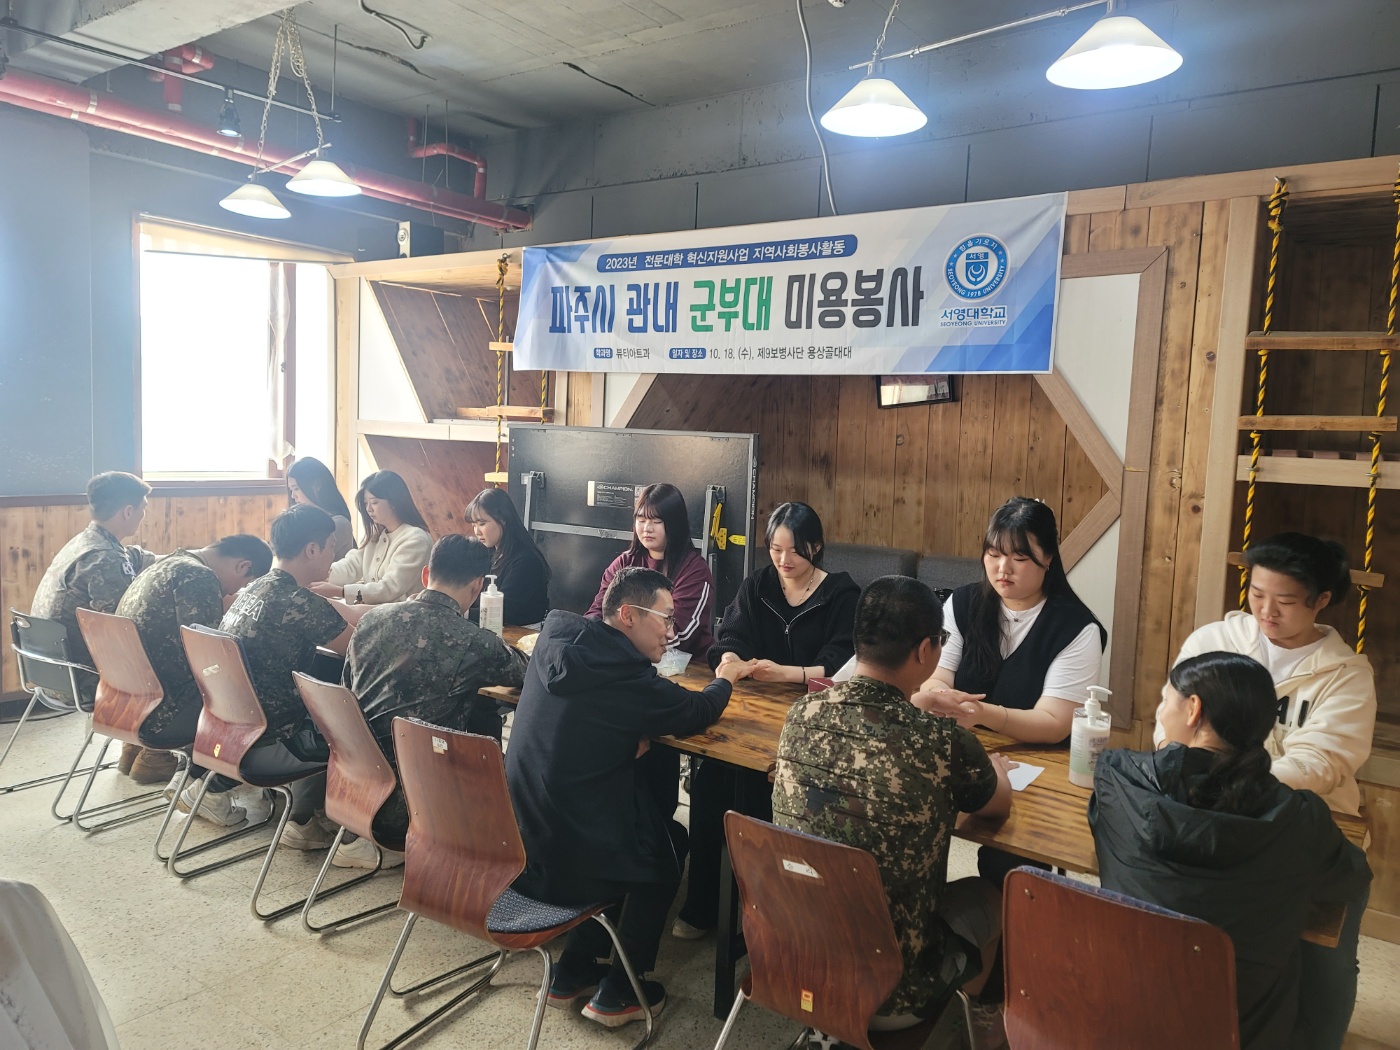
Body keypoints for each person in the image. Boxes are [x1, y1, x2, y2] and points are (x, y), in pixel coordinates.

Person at [505, 567, 748, 1029]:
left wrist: (622, 736)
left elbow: (584, 720)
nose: (672, 632)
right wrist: (726, 678)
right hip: (570, 853)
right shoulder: (624, 677)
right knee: (667, 844)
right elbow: (695, 710)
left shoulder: (558, 638)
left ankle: (571, 972)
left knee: (638, 825)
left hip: (523, 839)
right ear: (628, 616)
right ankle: (621, 994)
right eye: (666, 619)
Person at [1092, 651, 1372, 1050]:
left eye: (1166, 700)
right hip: (1242, 1034)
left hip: (1118, 1016)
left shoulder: (1118, 778)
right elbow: (1349, 879)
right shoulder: (1300, 819)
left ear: (1193, 709)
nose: (1161, 712)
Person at [774, 576, 1014, 1038]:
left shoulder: (801, 714)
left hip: (797, 960)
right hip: (896, 992)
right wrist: (997, 769)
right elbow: (996, 806)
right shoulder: (942, 742)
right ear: (925, 650)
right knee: (994, 895)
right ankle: (979, 1026)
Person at [674, 501, 860, 938]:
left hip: (811, 718)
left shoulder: (842, 594)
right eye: (775, 549)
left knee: (765, 796)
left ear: (816, 546)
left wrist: (787, 674)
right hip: (753, 714)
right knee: (710, 784)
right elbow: (730, 636)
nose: (783, 560)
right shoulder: (758, 584)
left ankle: (758, 915)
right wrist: (731, 661)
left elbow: (843, 663)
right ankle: (704, 904)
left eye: (794, 550)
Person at [339, 534, 527, 869]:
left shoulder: (371, 620)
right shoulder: (473, 642)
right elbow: (526, 673)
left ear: (426, 574)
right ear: (478, 587)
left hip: (352, 785)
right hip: (412, 804)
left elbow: (346, 691)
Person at [1169, 532, 1375, 817]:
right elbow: (1173, 719)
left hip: (1300, 813)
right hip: (1201, 800)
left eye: (1285, 602)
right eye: (1257, 594)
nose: (1267, 611)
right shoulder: (1213, 642)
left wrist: (1234, 790)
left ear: (1321, 599)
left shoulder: (1347, 676)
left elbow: (1319, 761)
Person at [912, 496, 1106, 746]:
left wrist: (982, 713)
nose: (1003, 568)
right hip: (964, 745)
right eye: (994, 554)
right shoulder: (962, 604)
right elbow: (937, 676)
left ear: (1048, 558)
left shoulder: (1076, 629)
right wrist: (938, 695)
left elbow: (1055, 723)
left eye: (1020, 558)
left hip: (1039, 757)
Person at [114, 534, 272, 826]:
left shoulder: (169, 563)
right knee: (256, 699)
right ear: (243, 566)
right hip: (163, 710)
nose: (234, 592)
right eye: (243, 584)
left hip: (126, 701)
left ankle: (187, 778)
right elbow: (211, 653)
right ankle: (210, 791)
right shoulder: (199, 577)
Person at [220, 504, 352, 849]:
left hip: (226, 731)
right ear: (312, 549)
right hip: (267, 742)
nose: (333, 558)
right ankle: (305, 821)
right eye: (332, 548)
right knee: (352, 728)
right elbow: (358, 649)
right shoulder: (297, 601)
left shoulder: (253, 589)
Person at [30, 471, 164, 782]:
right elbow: (127, 628)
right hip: (81, 679)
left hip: (49, 671)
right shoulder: (104, 557)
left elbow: (134, 558)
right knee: (177, 659)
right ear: (128, 511)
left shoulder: (84, 543)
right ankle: (156, 754)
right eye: (143, 508)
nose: (143, 515)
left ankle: (134, 747)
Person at [585, 483, 714, 656]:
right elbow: (597, 613)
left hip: (683, 666)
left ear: (675, 524)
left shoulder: (695, 570)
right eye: (641, 520)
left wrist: (614, 643)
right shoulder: (624, 562)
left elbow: (678, 635)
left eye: (656, 521)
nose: (647, 528)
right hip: (624, 659)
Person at [310, 471, 431, 606]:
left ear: (394, 502)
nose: (368, 509)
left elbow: (389, 588)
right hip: (374, 611)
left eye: (374, 502)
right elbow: (351, 565)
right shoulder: (376, 534)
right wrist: (316, 573)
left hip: (402, 614)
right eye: (365, 503)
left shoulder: (416, 539)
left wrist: (340, 591)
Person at [464, 487, 551, 626]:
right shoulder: (488, 552)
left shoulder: (526, 560)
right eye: (474, 525)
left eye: (482, 523)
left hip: (523, 634)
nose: (477, 531)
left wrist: (462, 613)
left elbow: (506, 611)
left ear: (503, 519)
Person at [286, 457, 355, 560]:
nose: (293, 496)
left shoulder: (338, 523)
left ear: (317, 485)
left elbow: (304, 562)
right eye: (291, 490)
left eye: (296, 488)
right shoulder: (302, 520)